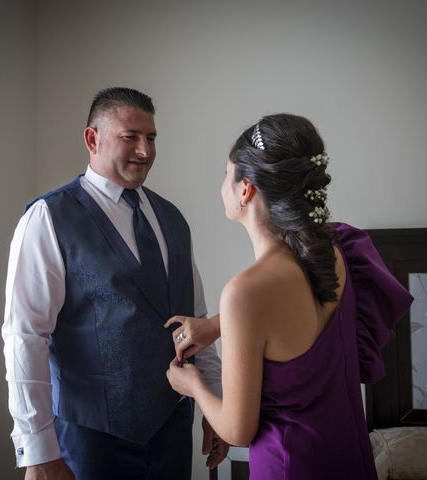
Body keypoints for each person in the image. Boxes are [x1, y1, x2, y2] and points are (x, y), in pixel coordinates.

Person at [166, 113, 413, 479]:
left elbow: (237, 430)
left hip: (289, 466)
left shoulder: (244, 293)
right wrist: (215, 327)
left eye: (225, 173)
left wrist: (194, 386)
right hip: (347, 456)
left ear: (245, 188)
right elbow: (294, 313)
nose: (222, 185)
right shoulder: (336, 250)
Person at [2, 87, 227, 480]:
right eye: (131, 137)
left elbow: (198, 319)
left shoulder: (172, 218)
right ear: (93, 139)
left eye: (152, 138)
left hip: (172, 432)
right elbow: (25, 336)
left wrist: (217, 406)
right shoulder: (48, 218)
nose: (145, 150)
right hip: (90, 440)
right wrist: (36, 451)